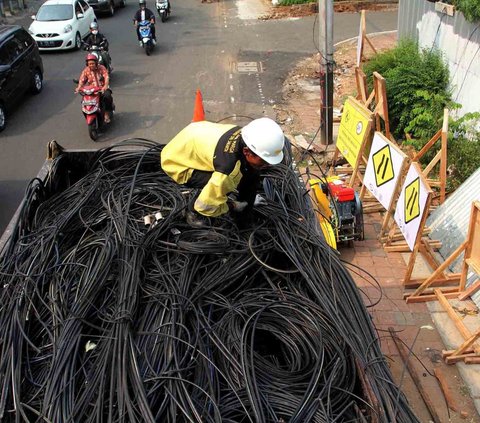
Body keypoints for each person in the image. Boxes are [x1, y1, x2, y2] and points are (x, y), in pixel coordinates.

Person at [161, 117, 285, 228]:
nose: (267, 165)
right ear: (247, 152)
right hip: (177, 162)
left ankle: (244, 216)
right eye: (263, 161)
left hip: (194, 137)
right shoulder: (228, 170)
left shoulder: (247, 137)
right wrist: (232, 206)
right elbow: (206, 205)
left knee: (251, 174)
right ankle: (193, 212)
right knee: (225, 186)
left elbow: (251, 175)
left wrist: (249, 201)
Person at [75, 54, 113, 123]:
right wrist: (78, 88)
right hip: (91, 91)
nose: (91, 65)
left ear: (96, 63)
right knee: (84, 102)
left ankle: (106, 114)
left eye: (93, 63)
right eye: (89, 64)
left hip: (102, 89)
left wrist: (105, 86)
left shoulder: (102, 68)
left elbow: (106, 77)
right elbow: (82, 80)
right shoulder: (86, 70)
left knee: (107, 96)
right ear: (87, 64)